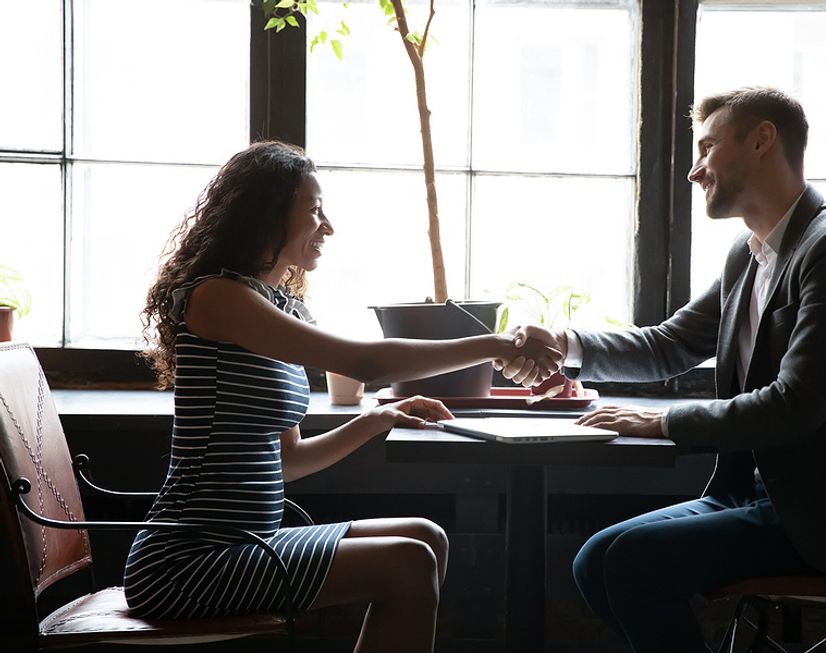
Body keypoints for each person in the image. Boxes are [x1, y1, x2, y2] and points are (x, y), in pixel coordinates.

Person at [500, 87, 826, 652]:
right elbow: (670, 345)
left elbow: (795, 406)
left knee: (630, 564)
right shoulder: (751, 254)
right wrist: (562, 341)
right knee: (594, 561)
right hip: (755, 496)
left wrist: (664, 422)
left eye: (706, 148)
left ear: (761, 141)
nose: (693, 172)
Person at [123, 140, 561, 653]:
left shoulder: (274, 305)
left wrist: (380, 418)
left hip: (246, 544)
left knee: (426, 537)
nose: (327, 226)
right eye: (313, 210)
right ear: (267, 217)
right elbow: (366, 362)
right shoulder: (217, 296)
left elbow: (287, 461)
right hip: (187, 561)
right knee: (408, 563)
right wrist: (495, 343)